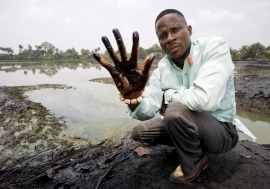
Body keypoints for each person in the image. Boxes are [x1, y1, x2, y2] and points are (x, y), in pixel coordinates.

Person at [93, 9, 256, 184]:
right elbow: (147, 111)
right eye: (163, 35)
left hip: (221, 132)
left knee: (174, 112)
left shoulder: (214, 47)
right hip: (187, 124)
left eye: (175, 30)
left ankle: (195, 161)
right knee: (140, 131)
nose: (169, 38)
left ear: (190, 30)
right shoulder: (162, 68)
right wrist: (134, 97)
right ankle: (188, 144)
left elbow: (205, 100)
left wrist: (168, 97)